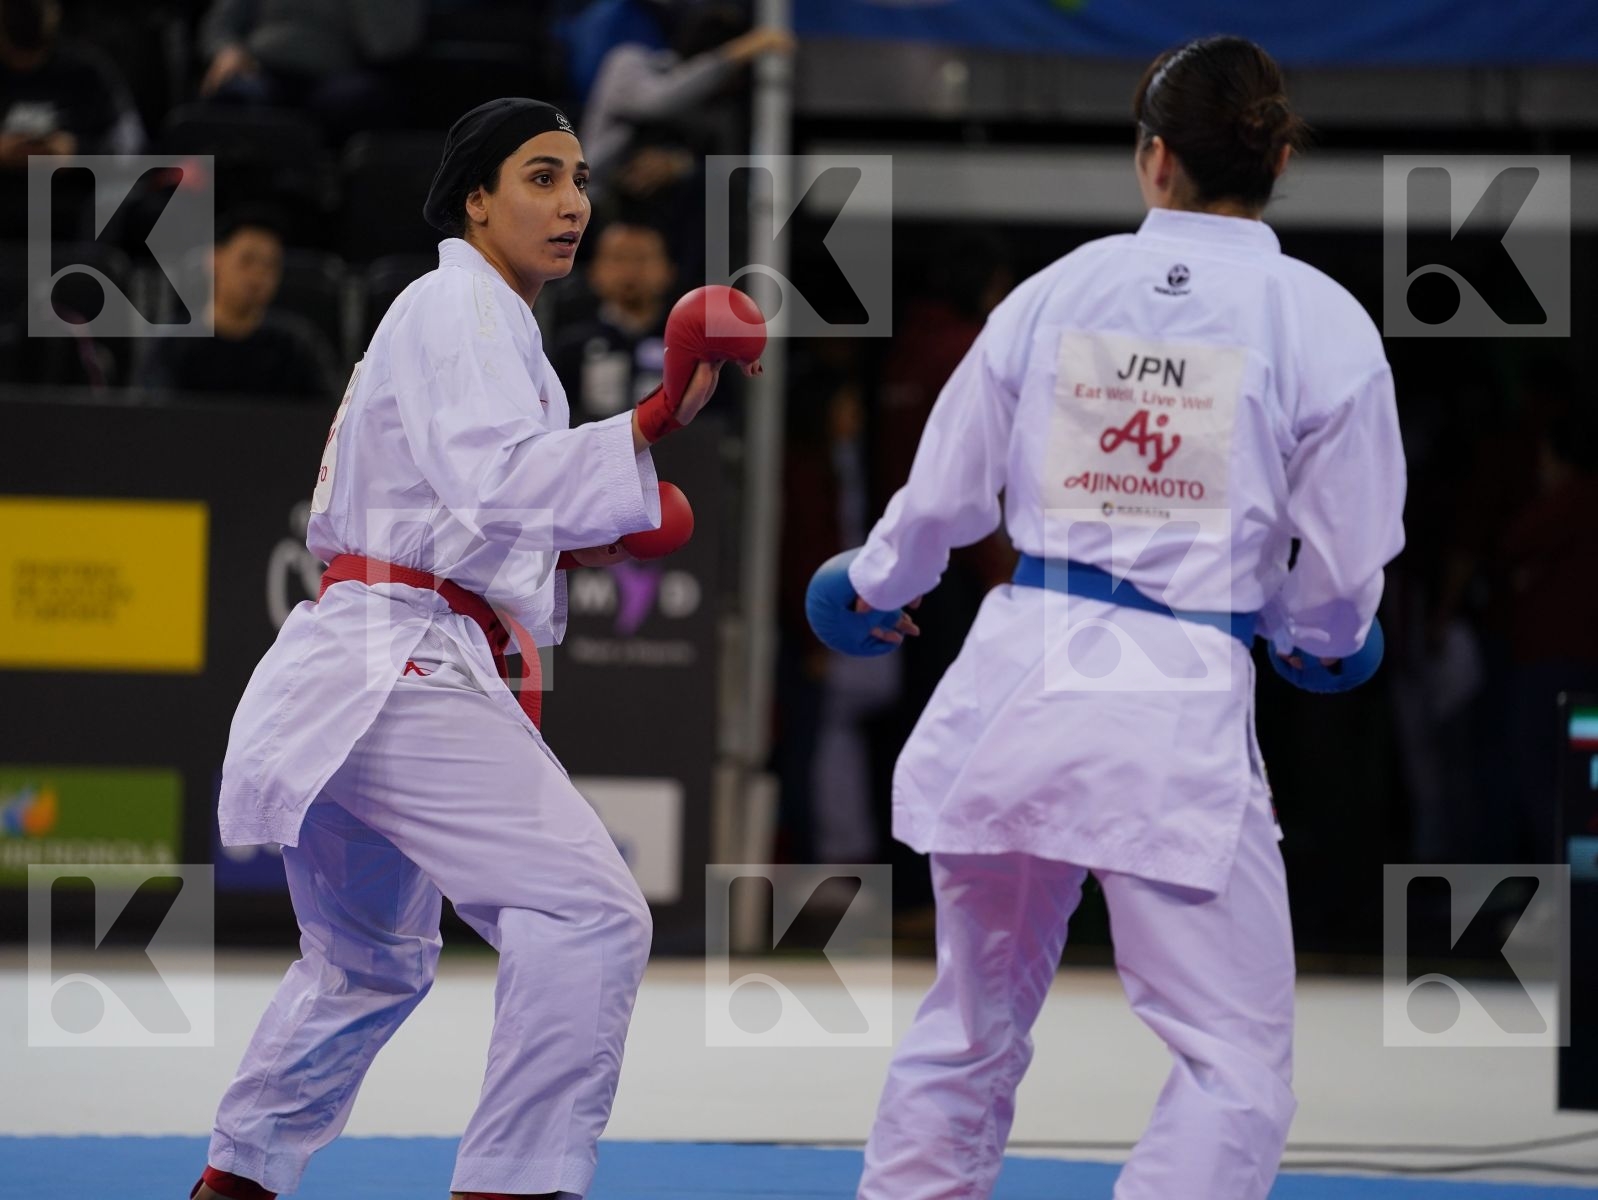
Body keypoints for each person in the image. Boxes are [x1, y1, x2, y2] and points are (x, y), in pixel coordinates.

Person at [805, 36, 1405, 1200]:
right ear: (1278, 159)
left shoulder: (1054, 291)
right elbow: (1339, 570)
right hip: (1173, 697)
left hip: (1020, 673)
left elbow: (940, 496)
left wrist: (870, 588)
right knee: (1232, 1057)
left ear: (1152, 160)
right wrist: (1320, 637)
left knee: (968, 1018)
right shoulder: (1320, 322)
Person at [192, 97, 757, 1200]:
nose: (573, 204)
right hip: (396, 663)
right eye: (540, 178)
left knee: (364, 966)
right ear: (476, 199)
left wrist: (579, 545)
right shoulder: (460, 305)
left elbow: (466, 508)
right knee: (587, 913)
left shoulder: (475, 318)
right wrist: (648, 424)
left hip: (361, 660)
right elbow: (494, 480)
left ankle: (237, 1183)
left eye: (580, 180)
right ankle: (514, 1185)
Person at [136, 208, 337, 403]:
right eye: (247, 261)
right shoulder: (172, 346)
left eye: (270, 264)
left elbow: (328, 416)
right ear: (214, 260)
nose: (258, 275)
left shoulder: (297, 347)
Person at [549, 220, 674, 419]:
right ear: (594, 271)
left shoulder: (687, 347)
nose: (631, 271)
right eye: (619, 258)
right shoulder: (571, 347)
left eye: (642, 259)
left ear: (668, 270)